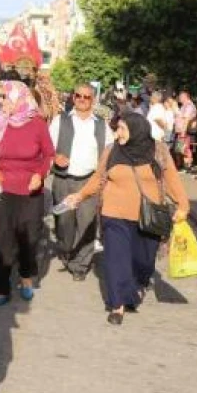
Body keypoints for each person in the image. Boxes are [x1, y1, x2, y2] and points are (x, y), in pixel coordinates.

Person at [64, 112, 190, 325]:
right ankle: (117, 304)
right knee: (116, 259)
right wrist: (80, 195)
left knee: (143, 262)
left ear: (136, 129)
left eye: (122, 128)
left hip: (148, 217)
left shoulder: (157, 150)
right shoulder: (112, 151)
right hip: (114, 215)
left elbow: (172, 180)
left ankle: (135, 288)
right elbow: (98, 178)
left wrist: (183, 205)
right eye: (117, 128)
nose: (117, 133)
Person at [0, 81, 53, 305]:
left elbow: (48, 154)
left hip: (29, 191)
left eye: (6, 98)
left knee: (29, 238)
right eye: (1, 98)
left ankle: (26, 277)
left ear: (19, 99)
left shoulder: (37, 123)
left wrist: (40, 174)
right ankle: (0, 288)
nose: (1, 102)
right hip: (1, 189)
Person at [48, 83, 110, 281]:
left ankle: (80, 265)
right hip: (64, 180)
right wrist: (55, 157)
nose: (82, 99)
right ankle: (67, 251)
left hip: (89, 181)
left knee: (87, 224)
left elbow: (109, 151)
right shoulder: (60, 120)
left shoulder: (101, 124)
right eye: (78, 96)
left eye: (87, 97)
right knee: (64, 224)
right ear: (73, 98)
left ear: (93, 100)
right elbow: (47, 147)